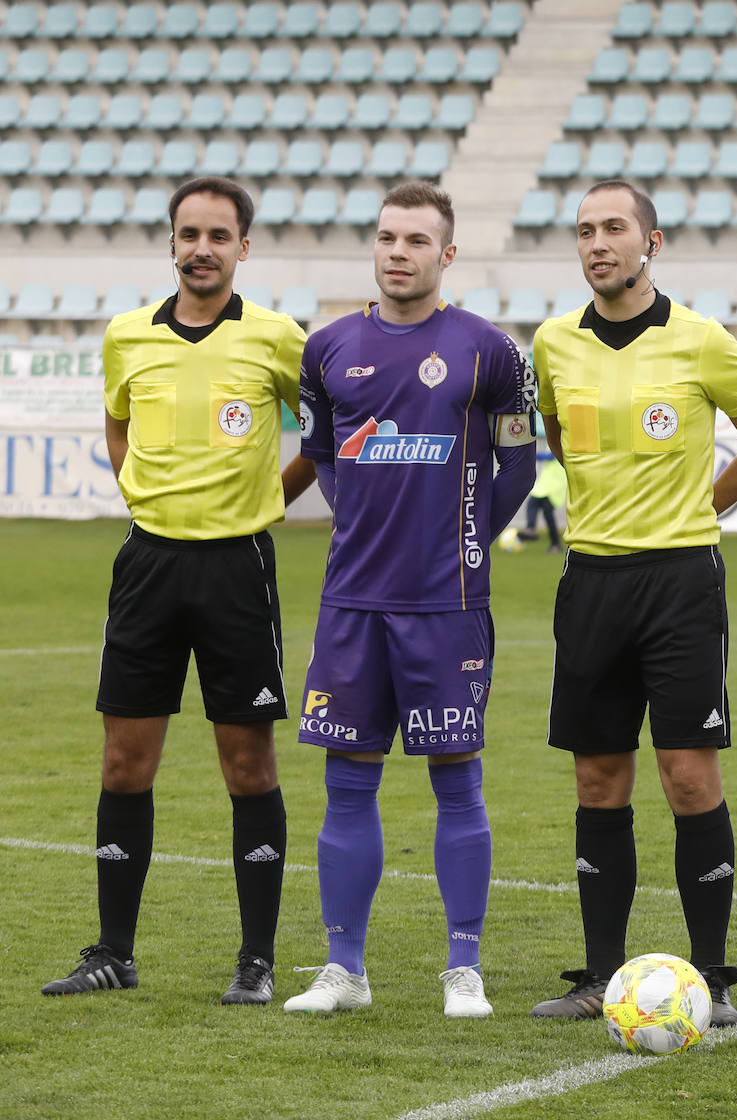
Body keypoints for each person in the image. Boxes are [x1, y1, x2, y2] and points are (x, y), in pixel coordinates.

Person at [42, 177, 311, 1004]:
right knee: (125, 761)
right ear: (171, 242)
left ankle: (256, 960)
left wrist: (275, 497)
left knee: (248, 763)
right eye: (189, 233)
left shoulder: (277, 337)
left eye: (218, 235)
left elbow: (328, 437)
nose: (202, 248)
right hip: (148, 566)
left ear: (242, 247)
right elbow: (118, 422)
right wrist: (140, 487)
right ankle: (112, 953)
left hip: (237, 567)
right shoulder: (128, 336)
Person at [280, 183, 536, 1018]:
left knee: (456, 782)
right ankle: (344, 970)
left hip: (447, 606)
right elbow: (322, 459)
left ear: (447, 255)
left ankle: (464, 967)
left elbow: (519, 468)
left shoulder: (488, 350)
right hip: (353, 603)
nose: (399, 252)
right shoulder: (326, 350)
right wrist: (363, 521)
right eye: (388, 237)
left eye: (417, 241)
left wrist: (465, 547)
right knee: (347, 784)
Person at [528, 180, 737, 1027]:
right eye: (586, 230)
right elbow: (559, 436)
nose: (598, 243)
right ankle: (599, 975)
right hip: (591, 580)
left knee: (689, 776)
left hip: (679, 584)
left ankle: (714, 979)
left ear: (650, 244)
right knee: (598, 780)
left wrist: (709, 504)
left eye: (615, 228)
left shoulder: (701, 339)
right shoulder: (553, 343)